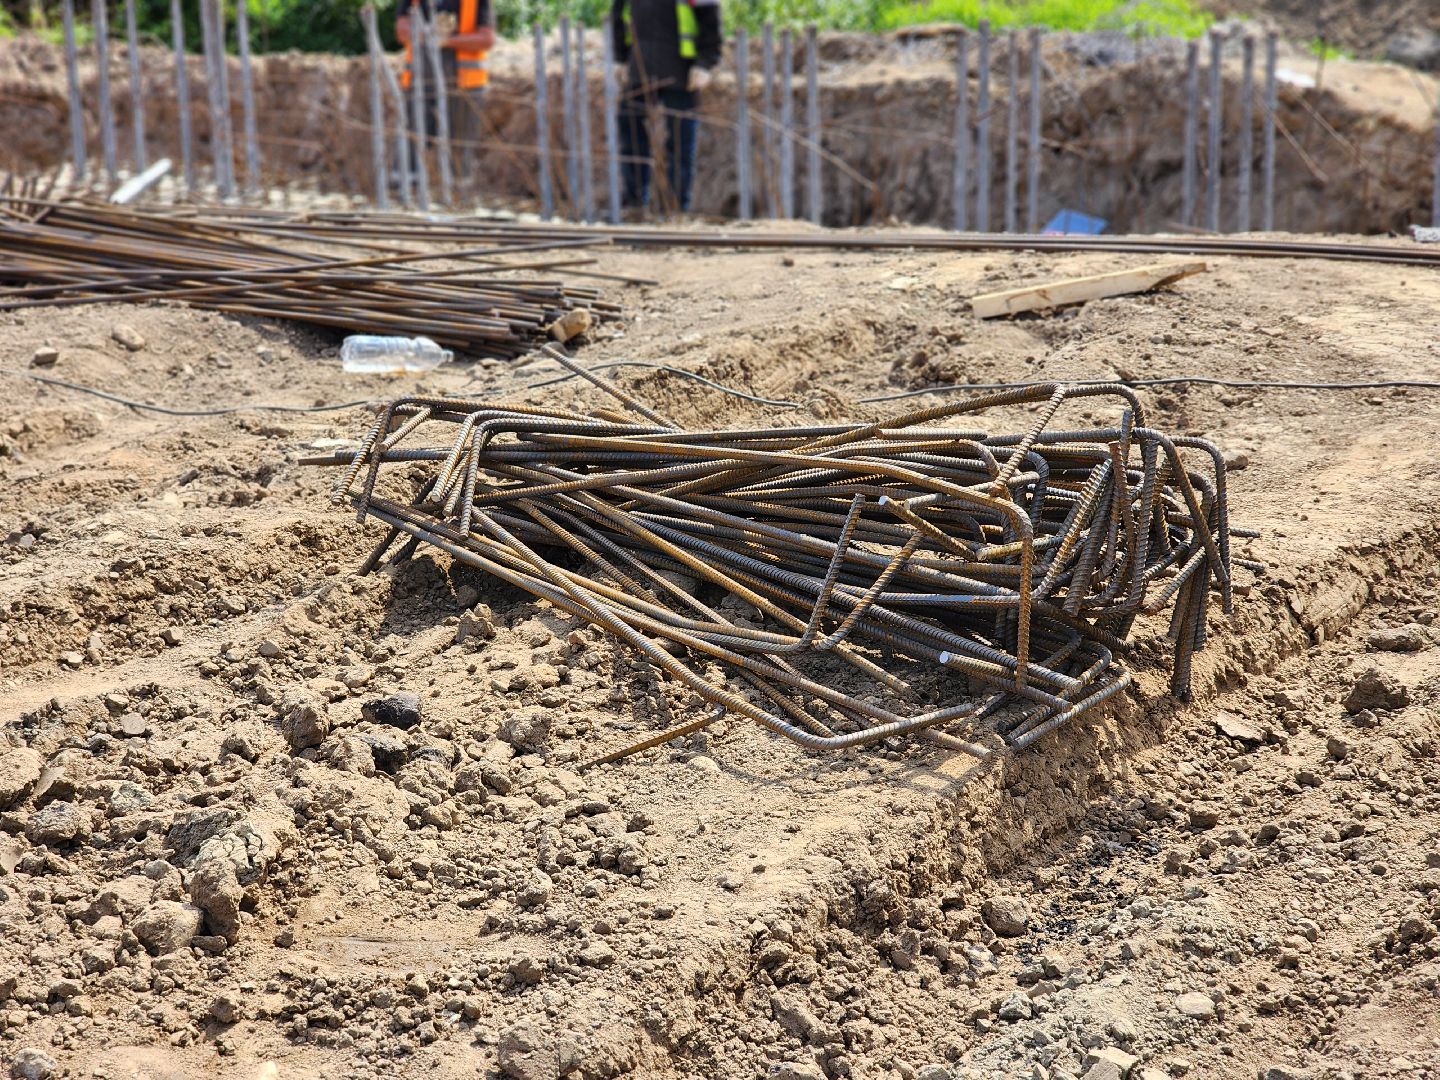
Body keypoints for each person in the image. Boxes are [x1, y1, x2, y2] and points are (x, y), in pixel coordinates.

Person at [610, 0, 722, 215]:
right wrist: (620, 57)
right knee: (629, 123)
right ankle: (635, 202)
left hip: (681, 69)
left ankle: (675, 207)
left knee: (680, 139)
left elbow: (710, 18)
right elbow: (618, 13)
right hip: (640, 66)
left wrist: (705, 63)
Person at [396, 0, 495, 184]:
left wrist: (447, 40)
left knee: (459, 147)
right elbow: (402, 31)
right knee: (412, 140)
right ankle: (406, 188)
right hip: (420, 82)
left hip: (465, 85)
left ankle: (457, 191)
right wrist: (426, 35)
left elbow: (487, 38)